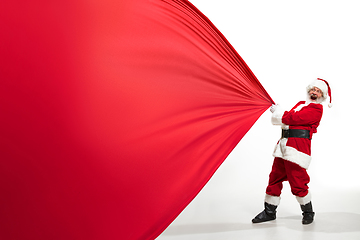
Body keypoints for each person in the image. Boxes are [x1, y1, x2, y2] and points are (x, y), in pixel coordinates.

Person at [252, 78, 332, 225]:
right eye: (313, 89)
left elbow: (292, 118)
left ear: (322, 95)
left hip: (297, 149)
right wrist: (282, 114)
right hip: (283, 146)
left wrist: (279, 113)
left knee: (298, 181)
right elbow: (287, 118)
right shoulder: (302, 104)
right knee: (274, 178)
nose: (314, 92)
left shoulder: (316, 109)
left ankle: (308, 212)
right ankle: (269, 212)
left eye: (318, 91)